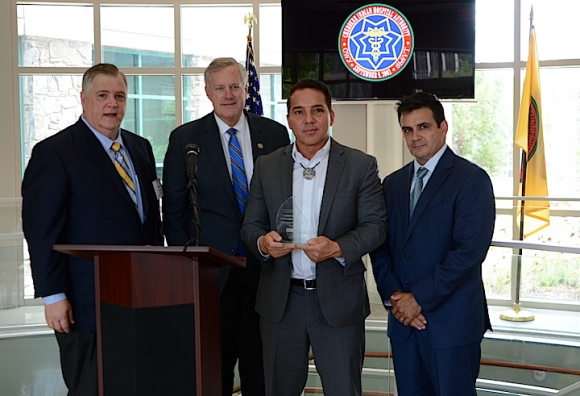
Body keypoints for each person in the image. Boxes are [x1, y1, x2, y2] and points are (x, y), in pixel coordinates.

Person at [22, 63, 163, 396]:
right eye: (102, 96)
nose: (112, 104)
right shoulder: (55, 152)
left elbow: (147, 222)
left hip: (139, 297)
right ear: (84, 100)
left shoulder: (140, 148)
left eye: (119, 96)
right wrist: (54, 297)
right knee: (91, 387)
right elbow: (42, 232)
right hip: (84, 304)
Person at [241, 78, 387, 396]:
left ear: (331, 116)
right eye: (299, 111)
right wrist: (263, 243)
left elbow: (376, 226)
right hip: (282, 303)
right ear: (289, 119)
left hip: (338, 302)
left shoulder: (360, 166)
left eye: (317, 110)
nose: (309, 119)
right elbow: (250, 226)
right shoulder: (267, 167)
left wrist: (338, 247)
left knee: (343, 390)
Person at [162, 57, 289, 396]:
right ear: (208, 92)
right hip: (211, 277)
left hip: (266, 273)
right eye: (220, 88)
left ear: (246, 89)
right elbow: (174, 212)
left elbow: (288, 201)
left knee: (261, 371)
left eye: (235, 86)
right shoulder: (185, 139)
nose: (229, 95)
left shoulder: (274, 134)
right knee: (212, 372)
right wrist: (185, 271)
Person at [370, 92, 495, 395]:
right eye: (407, 130)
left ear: (443, 128)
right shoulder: (393, 183)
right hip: (403, 323)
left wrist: (418, 299)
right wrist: (397, 297)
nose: (415, 137)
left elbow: (468, 253)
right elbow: (380, 246)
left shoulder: (471, 180)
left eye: (423, 127)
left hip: (450, 324)